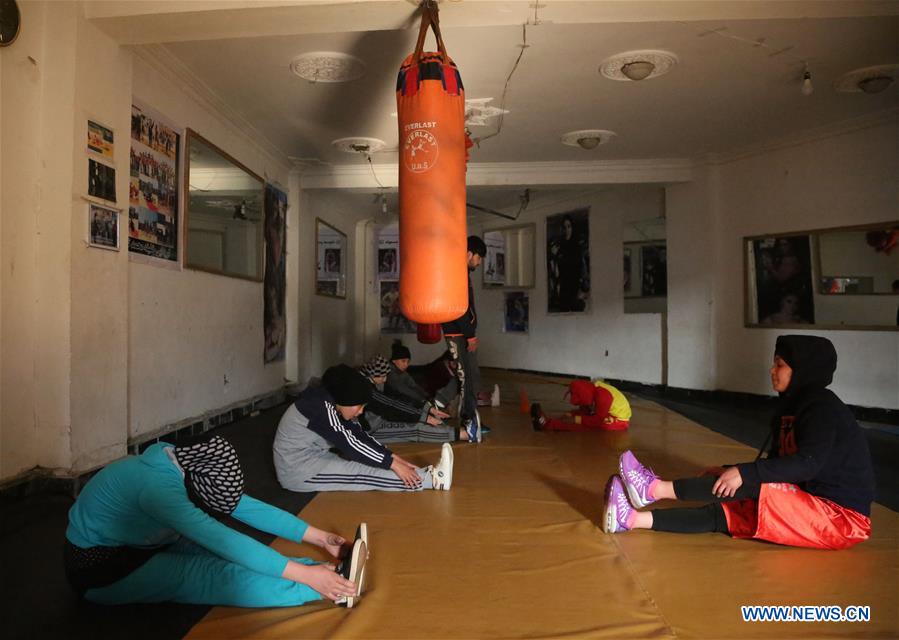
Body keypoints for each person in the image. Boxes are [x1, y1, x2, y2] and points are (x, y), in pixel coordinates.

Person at [603, 335, 876, 550]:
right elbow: (781, 463)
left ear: (803, 371)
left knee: (749, 482)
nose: (772, 370)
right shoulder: (791, 407)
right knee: (727, 512)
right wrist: (731, 470)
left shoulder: (822, 408)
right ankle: (632, 520)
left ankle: (652, 489)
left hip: (840, 518)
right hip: (810, 501)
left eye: (780, 364)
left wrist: (744, 473)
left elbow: (807, 465)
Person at [64, 435, 367, 607]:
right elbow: (225, 541)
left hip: (145, 542)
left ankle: (328, 572)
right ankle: (327, 588)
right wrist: (307, 580)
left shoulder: (185, 461)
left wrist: (319, 538)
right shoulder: (158, 491)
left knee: (227, 558)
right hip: (102, 568)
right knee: (211, 574)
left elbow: (247, 507)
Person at [273, 364, 454, 492]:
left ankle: (426, 475)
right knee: (361, 473)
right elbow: (351, 444)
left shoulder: (331, 402)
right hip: (298, 471)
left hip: (314, 456)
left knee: (372, 462)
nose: (360, 412)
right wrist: (390, 462)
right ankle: (433, 480)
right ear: (346, 399)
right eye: (359, 406)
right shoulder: (319, 408)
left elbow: (357, 434)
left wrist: (390, 456)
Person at [358, 355, 468, 444]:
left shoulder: (374, 380)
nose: (385, 379)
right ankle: (463, 435)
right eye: (382, 376)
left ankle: (458, 432)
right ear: (372, 374)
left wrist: (427, 408)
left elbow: (398, 396)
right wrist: (423, 417)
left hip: (377, 419)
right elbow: (390, 406)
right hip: (370, 430)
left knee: (419, 419)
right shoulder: (366, 389)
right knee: (415, 428)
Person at [442, 235, 487, 441]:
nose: (479, 262)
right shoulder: (456, 273)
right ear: (469, 254)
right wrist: (470, 336)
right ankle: (437, 407)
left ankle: (468, 417)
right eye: (479, 257)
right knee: (465, 378)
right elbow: (459, 309)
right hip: (457, 334)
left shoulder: (462, 274)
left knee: (472, 376)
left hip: (463, 333)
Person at [531, 378, 631, 432]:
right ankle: (551, 422)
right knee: (578, 418)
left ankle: (548, 425)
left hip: (619, 421)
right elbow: (584, 410)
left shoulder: (603, 396)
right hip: (605, 412)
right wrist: (570, 415)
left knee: (586, 425)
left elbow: (597, 421)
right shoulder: (591, 391)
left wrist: (576, 419)